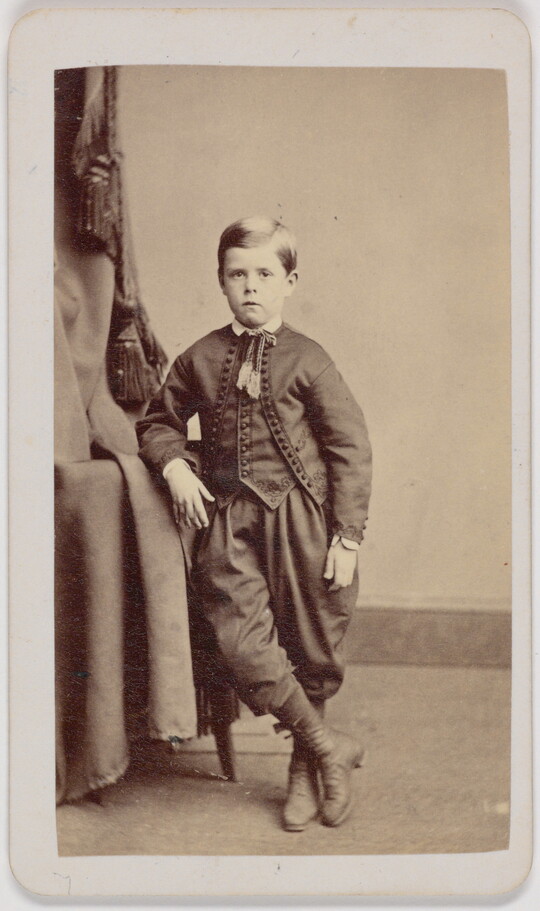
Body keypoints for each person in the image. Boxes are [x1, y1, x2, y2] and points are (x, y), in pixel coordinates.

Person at [136, 216, 372, 831]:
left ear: (289, 281)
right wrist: (175, 469)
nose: (251, 286)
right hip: (228, 522)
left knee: (311, 641)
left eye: (264, 273)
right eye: (237, 274)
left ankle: (304, 769)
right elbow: (157, 422)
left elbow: (350, 447)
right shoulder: (200, 358)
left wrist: (347, 536)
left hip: (303, 520)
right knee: (241, 644)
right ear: (221, 281)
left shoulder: (309, 359)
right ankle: (327, 748)